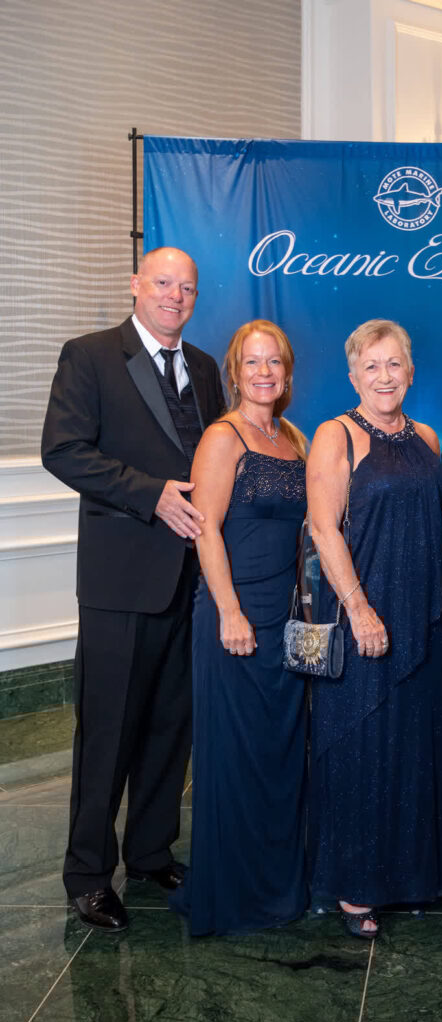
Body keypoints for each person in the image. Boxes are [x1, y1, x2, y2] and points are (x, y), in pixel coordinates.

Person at [41, 247, 224, 932]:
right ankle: (88, 873)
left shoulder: (204, 367)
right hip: (120, 580)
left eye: (188, 288)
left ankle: (149, 851)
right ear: (136, 285)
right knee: (108, 730)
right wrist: (151, 496)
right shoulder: (89, 356)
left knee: (171, 726)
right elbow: (63, 450)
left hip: (191, 578)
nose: (175, 296)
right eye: (164, 283)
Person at [306, 319, 442, 939]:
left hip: (424, 615)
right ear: (353, 377)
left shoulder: (426, 436)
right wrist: (359, 608)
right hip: (365, 614)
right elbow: (324, 529)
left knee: (417, 746)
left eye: (394, 364)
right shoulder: (336, 435)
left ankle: (413, 877)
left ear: (411, 372)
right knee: (364, 750)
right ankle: (356, 887)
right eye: (371, 366)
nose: (384, 376)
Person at [169, 320, 309, 935]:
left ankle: (278, 882)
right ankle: (235, 893)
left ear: (287, 371)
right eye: (252, 362)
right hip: (236, 616)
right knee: (238, 753)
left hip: (284, 617)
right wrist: (229, 611)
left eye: (274, 362)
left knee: (280, 755)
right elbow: (205, 532)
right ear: (235, 372)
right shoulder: (222, 438)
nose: (263, 372)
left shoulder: (294, 438)